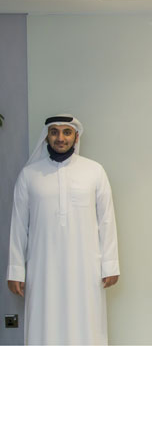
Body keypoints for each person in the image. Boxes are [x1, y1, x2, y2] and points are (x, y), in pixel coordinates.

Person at [7, 115, 119, 345]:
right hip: (42, 268)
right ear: (46, 137)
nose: (60, 138)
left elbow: (107, 221)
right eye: (54, 132)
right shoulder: (29, 175)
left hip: (86, 267)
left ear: (76, 137)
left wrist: (110, 265)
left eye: (67, 132)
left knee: (86, 323)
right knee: (43, 323)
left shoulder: (94, 171)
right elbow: (18, 225)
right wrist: (16, 270)